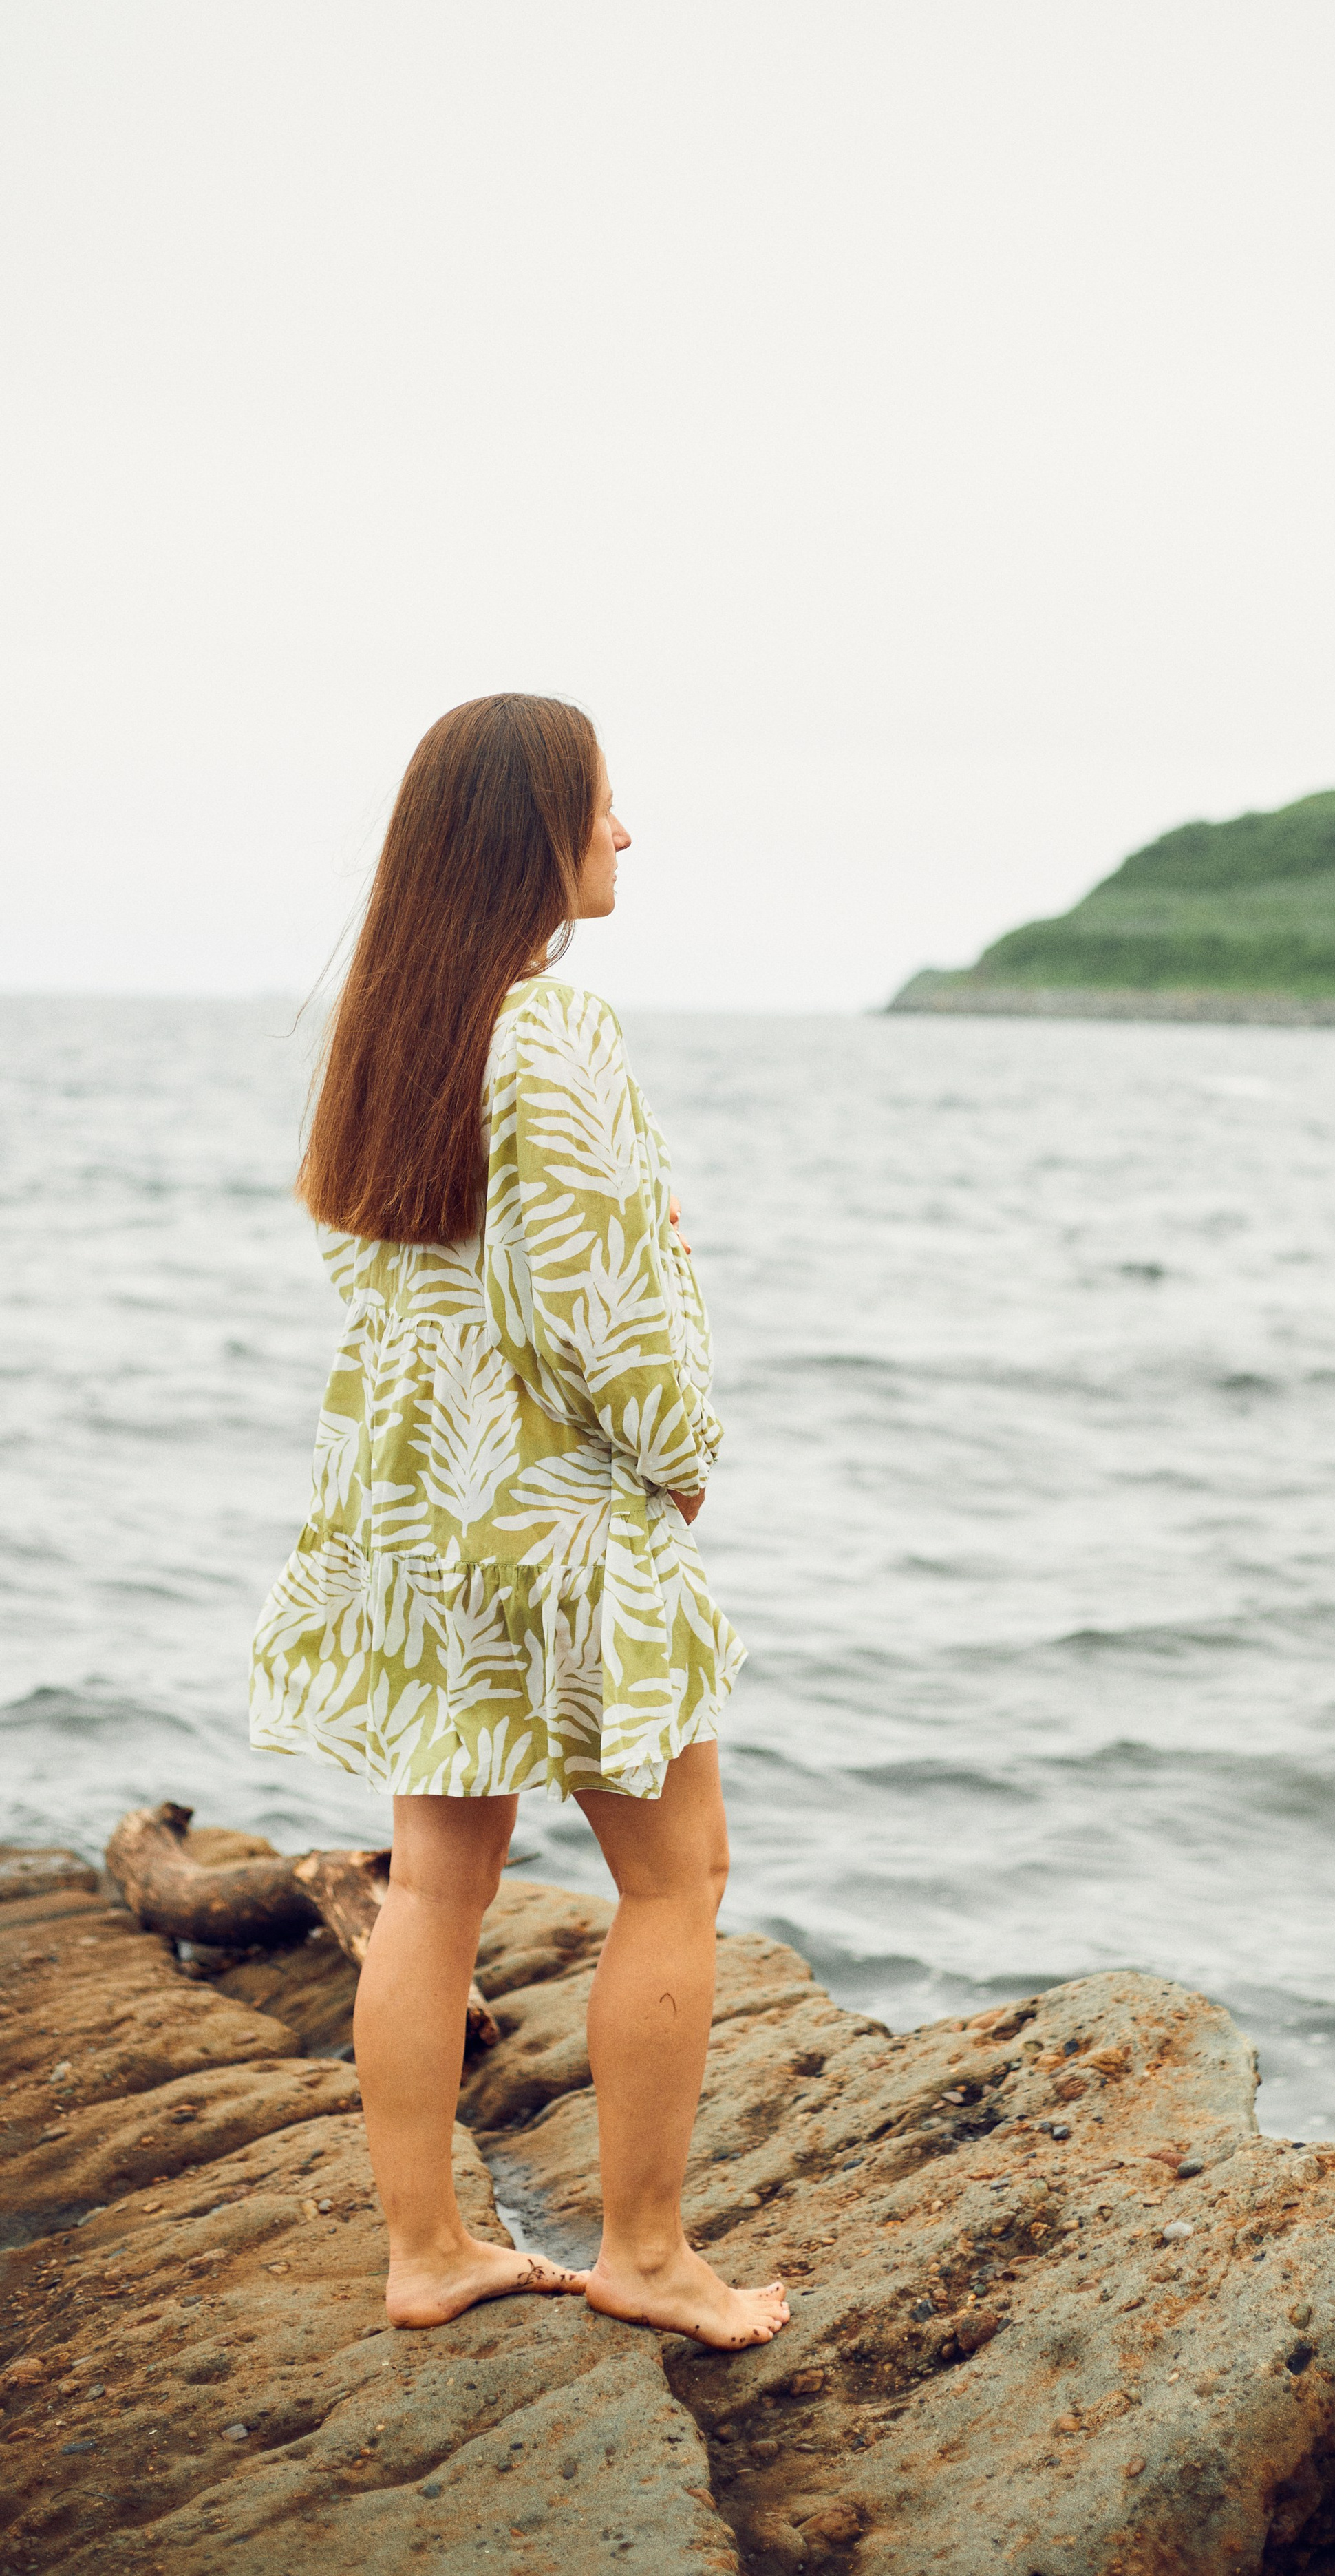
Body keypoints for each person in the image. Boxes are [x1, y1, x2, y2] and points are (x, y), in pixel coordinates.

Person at [248, 692, 788, 2350]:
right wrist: (682, 1453)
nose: (626, 832)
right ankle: (644, 2253)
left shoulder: (395, 1023)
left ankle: (426, 2254)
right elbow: (595, 1311)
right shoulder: (553, 1030)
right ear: (530, 833)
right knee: (673, 1880)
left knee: (431, 1888)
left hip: (413, 1520)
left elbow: (404, 1265)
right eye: (604, 803)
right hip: (552, 1520)